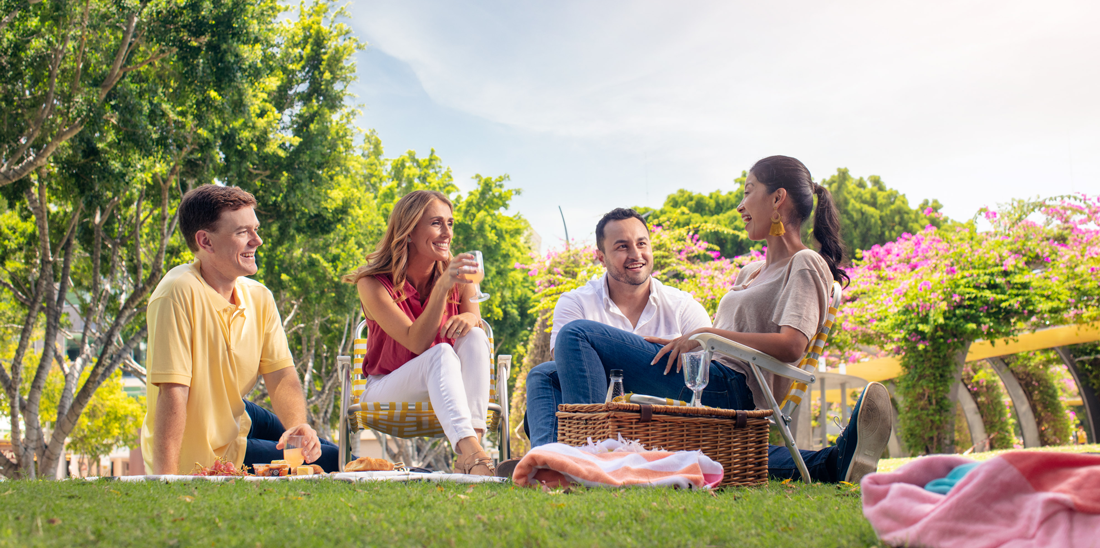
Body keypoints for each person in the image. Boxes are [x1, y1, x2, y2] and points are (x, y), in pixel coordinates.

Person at [526, 156, 892, 483]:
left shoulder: (805, 263)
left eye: (749, 192)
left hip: (736, 388)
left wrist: (705, 334)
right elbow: (726, 341)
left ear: (777, 199)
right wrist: (686, 344)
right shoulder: (750, 272)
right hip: (707, 375)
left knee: (577, 335)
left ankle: (589, 460)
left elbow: (793, 345)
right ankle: (548, 462)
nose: (740, 205)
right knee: (545, 373)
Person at [141, 185, 339, 475]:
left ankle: (418, 475)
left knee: (333, 453)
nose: (257, 241)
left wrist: (297, 426)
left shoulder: (259, 296)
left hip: (237, 414)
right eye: (242, 232)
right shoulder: (177, 292)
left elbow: (281, 374)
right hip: (206, 453)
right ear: (205, 241)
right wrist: (167, 480)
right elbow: (173, 392)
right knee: (334, 463)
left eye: (255, 229)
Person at [343, 190, 495, 476]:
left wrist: (468, 316)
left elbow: (475, 318)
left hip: (448, 394)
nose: (447, 232)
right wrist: (442, 288)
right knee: (441, 352)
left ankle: (470, 451)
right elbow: (417, 342)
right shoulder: (372, 283)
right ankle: (475, 455)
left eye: (450, 223)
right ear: (409, 231)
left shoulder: (459, 274)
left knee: (475, 336)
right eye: (436, 223)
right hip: (387, 389)